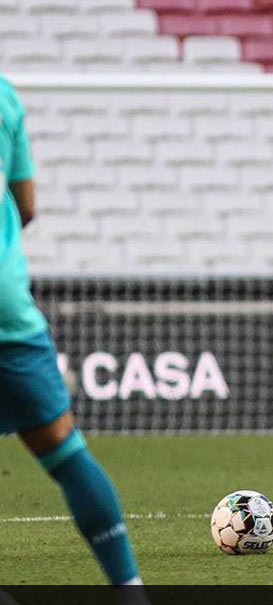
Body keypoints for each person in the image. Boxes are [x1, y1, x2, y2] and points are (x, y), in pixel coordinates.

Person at [0, 75, 146, 591]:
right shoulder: (4, 94)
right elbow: (28, 207)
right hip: (8, 303)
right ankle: (130, 591)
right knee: (63, 449)